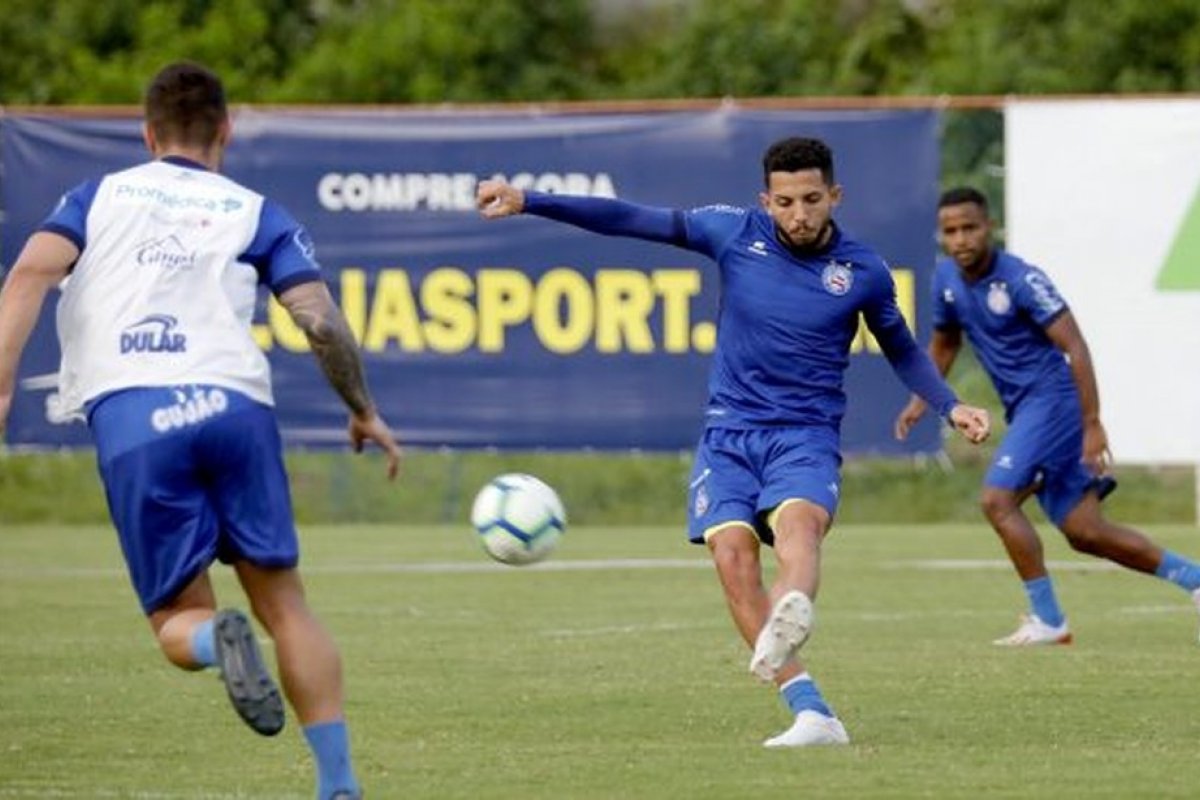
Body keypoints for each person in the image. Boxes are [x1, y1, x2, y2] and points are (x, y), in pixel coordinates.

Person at [476, 137, 991, 748]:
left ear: (834, 196)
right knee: (731, 558)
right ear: (765, 200)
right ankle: (812, 713)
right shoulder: (731, 232)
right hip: (729, 436)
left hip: (804, 435)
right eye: (784, 202)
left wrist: (950, 403)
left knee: (799, 531)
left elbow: (903, 348)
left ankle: (792, 605)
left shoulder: (862, 272)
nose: (798, 214)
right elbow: (629, 219)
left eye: (811, 200)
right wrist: (530, 200)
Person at [0, 62, 399, 799]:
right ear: (226, 130)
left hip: (134, 414)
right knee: (288, 606)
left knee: (177, 623)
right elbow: (318, 319)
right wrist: (363, 408)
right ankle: (339, 785)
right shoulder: (253, 209)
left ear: (149, 134)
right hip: (233, 404)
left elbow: (27, 274)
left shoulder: (97, 197)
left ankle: (219, 641)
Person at [894, 186, 1200, 646]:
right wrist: (925, 397)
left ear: (990, 227)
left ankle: (1049, 619)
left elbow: (1074, 346)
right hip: (1028, 410)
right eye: (951, 231)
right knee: (1086, 532)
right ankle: (1195, 578)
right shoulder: (945, 279)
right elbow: (946, 343)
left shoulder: (1021, 279)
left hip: (1053, 401)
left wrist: (1093, 424)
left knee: (997, 499)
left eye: (970, 228)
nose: (961, 239)